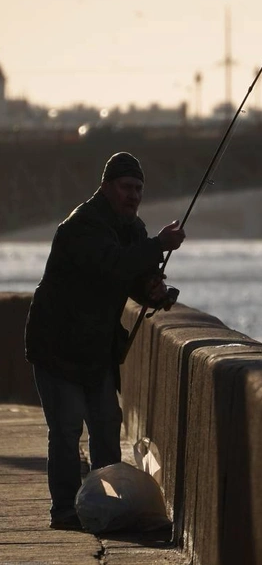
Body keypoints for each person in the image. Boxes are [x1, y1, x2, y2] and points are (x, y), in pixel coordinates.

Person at [24, 152, 186, 530]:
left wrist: (155, 293)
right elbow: (111, 263)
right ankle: (64, 511)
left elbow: (132, 276)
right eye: (127, 187)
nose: (134, 196)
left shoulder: (132, 227)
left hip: (96, 350)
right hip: (57, 347)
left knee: (106, 426)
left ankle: (108, 506)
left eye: (139, 189)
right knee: (66, 431)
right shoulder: (82, 225)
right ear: (106, 187)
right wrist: (159, 244)